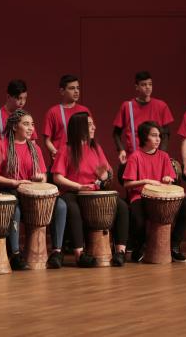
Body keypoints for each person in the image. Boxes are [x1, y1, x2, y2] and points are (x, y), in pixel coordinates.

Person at [0, 109, 67, 269]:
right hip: (9, 190)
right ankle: (16, 254)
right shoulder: (1, 146)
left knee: (61, 206)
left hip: (31, 193)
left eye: (32, 124)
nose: (31, 128)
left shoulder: (35, 149)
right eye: (26, 124)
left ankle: (57, 251)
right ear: (15, 127)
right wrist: (14, 183)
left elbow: (43, 177)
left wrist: (39, 179)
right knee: (14, 210)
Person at [53, 111, 129, 267]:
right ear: (78, 127)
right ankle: (79, 254)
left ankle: (120, 251)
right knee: (73, 209)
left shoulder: (96, 148)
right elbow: (57, 178)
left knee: (121, 206)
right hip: (73, 192)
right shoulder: (66, 149)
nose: (94, 127)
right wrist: (79, 186)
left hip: (94, 192)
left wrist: (104, 177)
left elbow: (108, 172)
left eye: (93, 124)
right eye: (89, 125)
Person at [123, 121, 186, 262]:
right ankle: (140, 246)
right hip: (140, 196)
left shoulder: (164, 156)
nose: (158, 139)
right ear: (144, 137)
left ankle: (174, 246)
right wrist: (146, 181)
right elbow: (127, 184)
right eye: (154, 135)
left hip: (161, 197)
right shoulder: (135, 156)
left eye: (159, 136)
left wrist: (168, 179)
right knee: (138, 220)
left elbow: (170, 177)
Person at [113, 71, 174, 182]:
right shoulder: (128, 106)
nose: (147, 87)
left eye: (150, 84)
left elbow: (166, 133)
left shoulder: (161, 106)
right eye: (144, 84)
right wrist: (121, 150)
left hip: (155, 157)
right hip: (135, 157)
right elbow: (116, 133)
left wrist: (162, 154)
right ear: (137, 87)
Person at [0, 79, 35, 167]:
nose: (22, 102)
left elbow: (32, 141)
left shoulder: (26, 118)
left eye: (24, 98)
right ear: (8, 97)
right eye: (19, 98)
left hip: (19, 166)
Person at [43, 74, 91, 160]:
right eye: (72, 88)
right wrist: (55, 152)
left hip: (81, 159)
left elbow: (90, 136)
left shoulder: (85, 111)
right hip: (61, 159)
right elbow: (47, 140)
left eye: (78, 88)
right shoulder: (53, 112)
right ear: (62, 91)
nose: (76, 91)